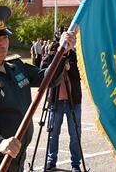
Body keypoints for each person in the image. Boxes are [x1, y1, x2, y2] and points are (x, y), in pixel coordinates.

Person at [0, 5, 76, 172]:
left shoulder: (15, 66)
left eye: (4, 38)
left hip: (18, 156)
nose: (3, 44)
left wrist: (62, 53)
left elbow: (48, 78)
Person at [41, 43, 82, 172]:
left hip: (73, 101)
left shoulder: (75, 56)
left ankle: (76, 164)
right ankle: (51, 161)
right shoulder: (54, 53)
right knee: (53, 133)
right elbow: (42, 71)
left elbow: (80, 76)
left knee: (75, 134)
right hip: (55, 101)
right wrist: (52, 56)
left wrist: (70, 68)